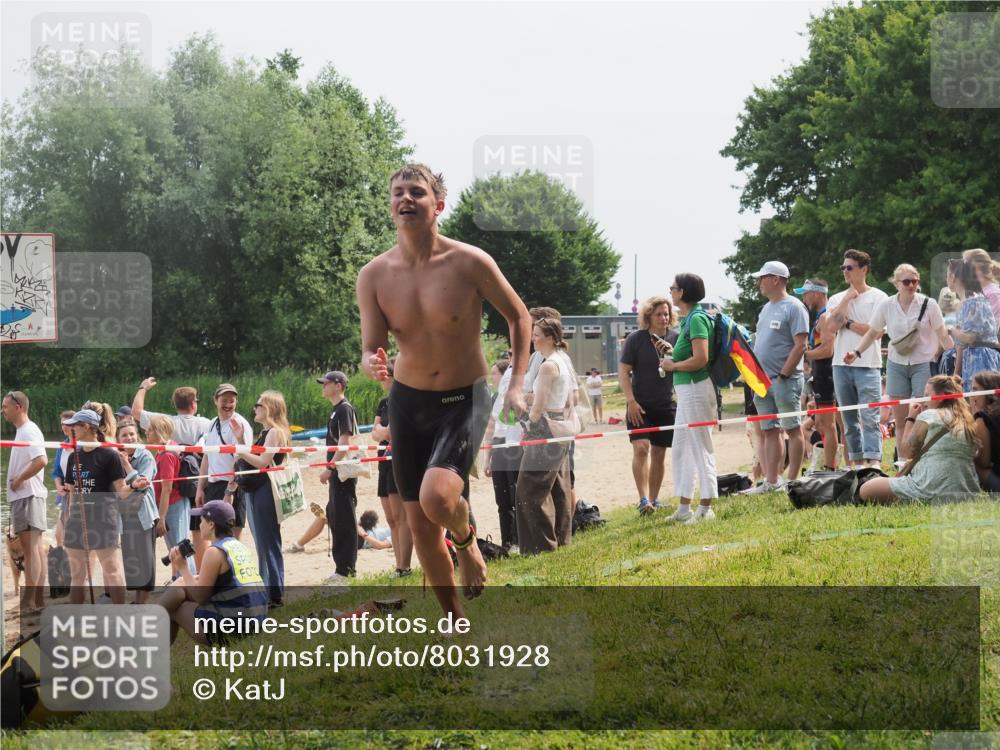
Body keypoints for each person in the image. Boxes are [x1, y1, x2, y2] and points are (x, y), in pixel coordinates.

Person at [358, 163, 530, 620]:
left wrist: (515, 385)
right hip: (408, 402)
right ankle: (455, 620)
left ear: (438, 205)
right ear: (390, 206)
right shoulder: (374, 275)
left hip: (464, 398)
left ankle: (466, 539)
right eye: (398, 192)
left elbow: (519, 317)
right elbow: (370, 347)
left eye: (417, 192)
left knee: (437, 499)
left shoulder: (469, 262)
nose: (406, 199)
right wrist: (372, 362)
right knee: (419, 525)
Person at [843, 264, 953, 460]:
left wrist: (953, 358)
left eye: (915, 281)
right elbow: (873, 332)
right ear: (896, 284)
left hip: (923, 363)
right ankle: (902, 463)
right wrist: (856, 352)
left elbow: (943, 334)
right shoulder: (887, 305)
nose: (911, 285)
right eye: (906, 282)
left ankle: (922, 462)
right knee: (901, 420)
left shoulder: (929, 304)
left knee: (924, 416)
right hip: (896, 364)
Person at [159, 500, 269, 645]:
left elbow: (200, 597)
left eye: (202, 521)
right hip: (256, 621)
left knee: (174, 608)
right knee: (180, 587)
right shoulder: (238, 546)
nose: (199, 525)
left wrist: (183, 568)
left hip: (235, 629)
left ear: (211, 524)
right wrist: (185, 579)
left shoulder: (214, 552)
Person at [859, 375, 981, 503]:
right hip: (966, 491)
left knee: (866, 489)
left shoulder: (929, 415)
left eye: (927, 395)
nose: (923, 400)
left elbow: (906, 451)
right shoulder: (968, 421)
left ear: (940, 397)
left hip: (929, 488)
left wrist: (911, 418)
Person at [744, 261, 809, 492]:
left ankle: (791, 481)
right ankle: (772, 481)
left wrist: (783, 374)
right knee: (770, 430)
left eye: (762, 278)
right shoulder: (764, 309)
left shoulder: (795, 307)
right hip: (761, 381)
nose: (759, 282)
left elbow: (801, 345)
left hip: (785, 380)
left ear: (775, 279)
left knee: (793, 428)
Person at [133, 379, 212, 566]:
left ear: (175, 404)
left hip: (175, 490)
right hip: (198, 481)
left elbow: (136, 411)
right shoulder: (205, 423)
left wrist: (143, 388)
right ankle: (194, 573)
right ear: (193, 404)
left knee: (179, 543)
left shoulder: (167, 422)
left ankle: (189, 575)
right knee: (197, 533)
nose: (147, 433)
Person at [515, 317, 576, 554]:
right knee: (559, 487)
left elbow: (538, 407)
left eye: (537, 335)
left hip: (546, 428)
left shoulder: (548, 365)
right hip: (561, 427)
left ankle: (540, 546)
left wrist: (529, 427)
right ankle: (561, 540)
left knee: (528, 488)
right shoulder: (561, 360)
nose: (533, 339)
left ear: (550, 337)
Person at [660, 273, 718, 523]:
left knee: (701, 447)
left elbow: (701, 359)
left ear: (682, 292)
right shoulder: (688, 320)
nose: (670, 291)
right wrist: (673, 354)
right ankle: (684, 507)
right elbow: (690, 355)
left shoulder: (697, 319)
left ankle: (706, 508)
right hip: (686, 391)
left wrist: (672, 366)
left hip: (696, 388)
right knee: (682, 448)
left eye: (673, 287)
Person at [60, 405, 130, 605]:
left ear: (87, 427)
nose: (71, 430)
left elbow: (121, 491)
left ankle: (120, 615)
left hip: (103, 518)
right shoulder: (74, 456)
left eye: (75, 426)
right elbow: (72, 492)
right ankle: (77, 618)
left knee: (112, 570)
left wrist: (135, 485)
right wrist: (68, 518)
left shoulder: (109, 455)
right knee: (77, 576)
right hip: (78, 520)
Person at [826, 249, 889, 468]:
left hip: (868, 365)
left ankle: (874, 463)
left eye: (850, 267)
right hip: (840, 366)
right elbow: (831, 327)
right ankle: (858, 463)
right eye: (843, 267)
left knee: (870, 417)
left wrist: (849, 323)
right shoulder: (836, 298)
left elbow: (876, 332)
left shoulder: (879, 297)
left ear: (864, 270)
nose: (845, 271)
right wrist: (846, 299)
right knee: (849, 420)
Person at [618, 295, 679, 514]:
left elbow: (684, 364)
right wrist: (631, 401)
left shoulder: (676, 338)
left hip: (665, 404)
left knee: (659, 453)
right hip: (639, 405)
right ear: (648, 316)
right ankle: (643, 499)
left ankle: (654, 500)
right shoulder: (636, 339)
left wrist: (672, 353)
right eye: (659, 314)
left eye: (666, 314)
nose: (664, 318)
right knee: (641, 448)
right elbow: (623, 372)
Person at [232, 390, 290, 608]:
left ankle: (275, 593)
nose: (255, 408)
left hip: (266, 490)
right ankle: (268, 590)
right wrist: (240, 439)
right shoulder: (266, 432)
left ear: (269, 408)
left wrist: (240, 451)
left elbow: (263, 462)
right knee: (262, 542)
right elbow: (256, 457)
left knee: (268, 541)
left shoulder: (275, 432)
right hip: (257, 489)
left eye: (259, 405)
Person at [2, 391, 49, 612]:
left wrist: (19, 479)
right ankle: (37, 599)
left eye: (5, 406)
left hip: (28, 495)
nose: (3, 410)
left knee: (31, 550)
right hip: (26, 496)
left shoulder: (29, 430)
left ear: (18, 406)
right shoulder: (23, 431)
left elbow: (42, 460)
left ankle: (30, 599)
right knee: (35, 549)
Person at [314, 371, 360, 583]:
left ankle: (346, 570)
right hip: (337, 472)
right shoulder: (336, 410)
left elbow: (344, 442)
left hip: (342, 473)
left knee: (344, 518)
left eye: (326, 383)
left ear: (338, 385)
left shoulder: (344, 408)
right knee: (335, 515)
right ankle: (342, 567)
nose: (323, 386)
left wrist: (329, 468)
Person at [195, 384, 253, 545]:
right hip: (213, 485)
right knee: (214, 537)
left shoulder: (239, 424)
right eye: (224, 400)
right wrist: (200, 488)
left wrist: (229, 491)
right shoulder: (212, 423)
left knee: (231, 538)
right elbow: (207, 457)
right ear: (215, 400)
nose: (228, 404)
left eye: (231, 401)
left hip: (232, 486)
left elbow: (239, 460)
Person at [371, 361, 413, 576]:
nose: (381, 380)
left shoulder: (404, 399)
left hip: (399, 460)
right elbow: (375, 432)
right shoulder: (384, 403)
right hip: (383, 460)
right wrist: (383, 431)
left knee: (401, 516)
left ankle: (404, 566)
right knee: (390, 518)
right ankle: (398, 564)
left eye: (383, 376)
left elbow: (389, 432)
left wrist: (383, 431)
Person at [797, 279, 840, 471]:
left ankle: (830, 468)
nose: (804, 299)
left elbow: (828, 350)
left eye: (806, 294)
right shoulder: (820, 316)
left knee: (828, 425)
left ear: (816, 293)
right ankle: (825, 464)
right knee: (821, 424)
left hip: (827, 374)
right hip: (821, 374)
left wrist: (804, 354)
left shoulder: (825, 316)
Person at [115, 420, 158, 603]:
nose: (129, 437)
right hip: (125, 515)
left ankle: (143, 602)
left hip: (144, 515)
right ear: (118, 439)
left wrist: (126, 465)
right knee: (132, 558)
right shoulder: (115, 457)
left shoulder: (145, 456)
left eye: (132, 434)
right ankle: (137, 599)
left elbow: (143, 484)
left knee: (145, 559)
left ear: (138, 436)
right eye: (124, 435)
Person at [144, 415, 194, 576]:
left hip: (173, 506)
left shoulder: (167, 455)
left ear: (159, 431)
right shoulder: (164, 449)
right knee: (177, 548)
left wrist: (161, 518)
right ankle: (182, 581)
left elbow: (167, 488)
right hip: (171, 505)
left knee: (180, 549)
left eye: (150, 430)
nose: (146, 433)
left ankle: (190, 583)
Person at [946, 257, 1000, 390]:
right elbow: (961, 345)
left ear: (953, 277)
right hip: (970, 360)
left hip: (982, 359)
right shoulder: (965, 303)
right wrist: (956, 375)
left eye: (947, 275)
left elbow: (970, 337)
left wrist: (951, 330)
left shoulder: (973, 301)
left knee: (984, 400)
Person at [484, 357, 520, 553]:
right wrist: (487, 458)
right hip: (498, 446)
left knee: (515, 496)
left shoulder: (512, 395)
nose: (492, 378)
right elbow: (490, 429)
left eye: (495, 374)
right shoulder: (494, 397)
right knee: (502, 499)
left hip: (512, 445)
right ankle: (507, 541)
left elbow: (511, 422)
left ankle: (519, 540)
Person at [970, 370, 1000, 490]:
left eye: (975, 390)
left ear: (989, 391)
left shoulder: (983, 418)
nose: (971, 395)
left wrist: (975, 416)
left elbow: (984, 461)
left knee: (970, 463)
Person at [51, 409, 75, 547]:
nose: (64, 427)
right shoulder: (62, 446)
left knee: (73, 532)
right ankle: (62, 554)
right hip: (65, 493)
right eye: (62, 424)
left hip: (79, 492)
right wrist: (58, 486)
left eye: (67, 423)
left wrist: (72, 485)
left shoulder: (82, 445)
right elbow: (56, 472)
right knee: (59, 535)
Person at [963, 248, 1000, 326]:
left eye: (965, 265)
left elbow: (992, 327)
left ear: (977, 267)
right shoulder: (976, 292)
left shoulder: (993, 294)